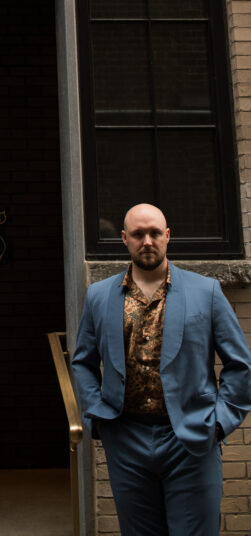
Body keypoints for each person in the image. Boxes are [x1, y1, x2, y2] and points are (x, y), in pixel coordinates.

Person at [72, 202, 251, 536]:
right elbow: (82, 362)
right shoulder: (98, 296)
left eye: (155, 233)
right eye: (138, 234)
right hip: (126, 437)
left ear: (167, 236)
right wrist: (98, 417)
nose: (148, 241)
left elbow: (241, 365)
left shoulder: (206, 292)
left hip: (193, 437)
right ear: (125, 239)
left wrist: (219, 423)